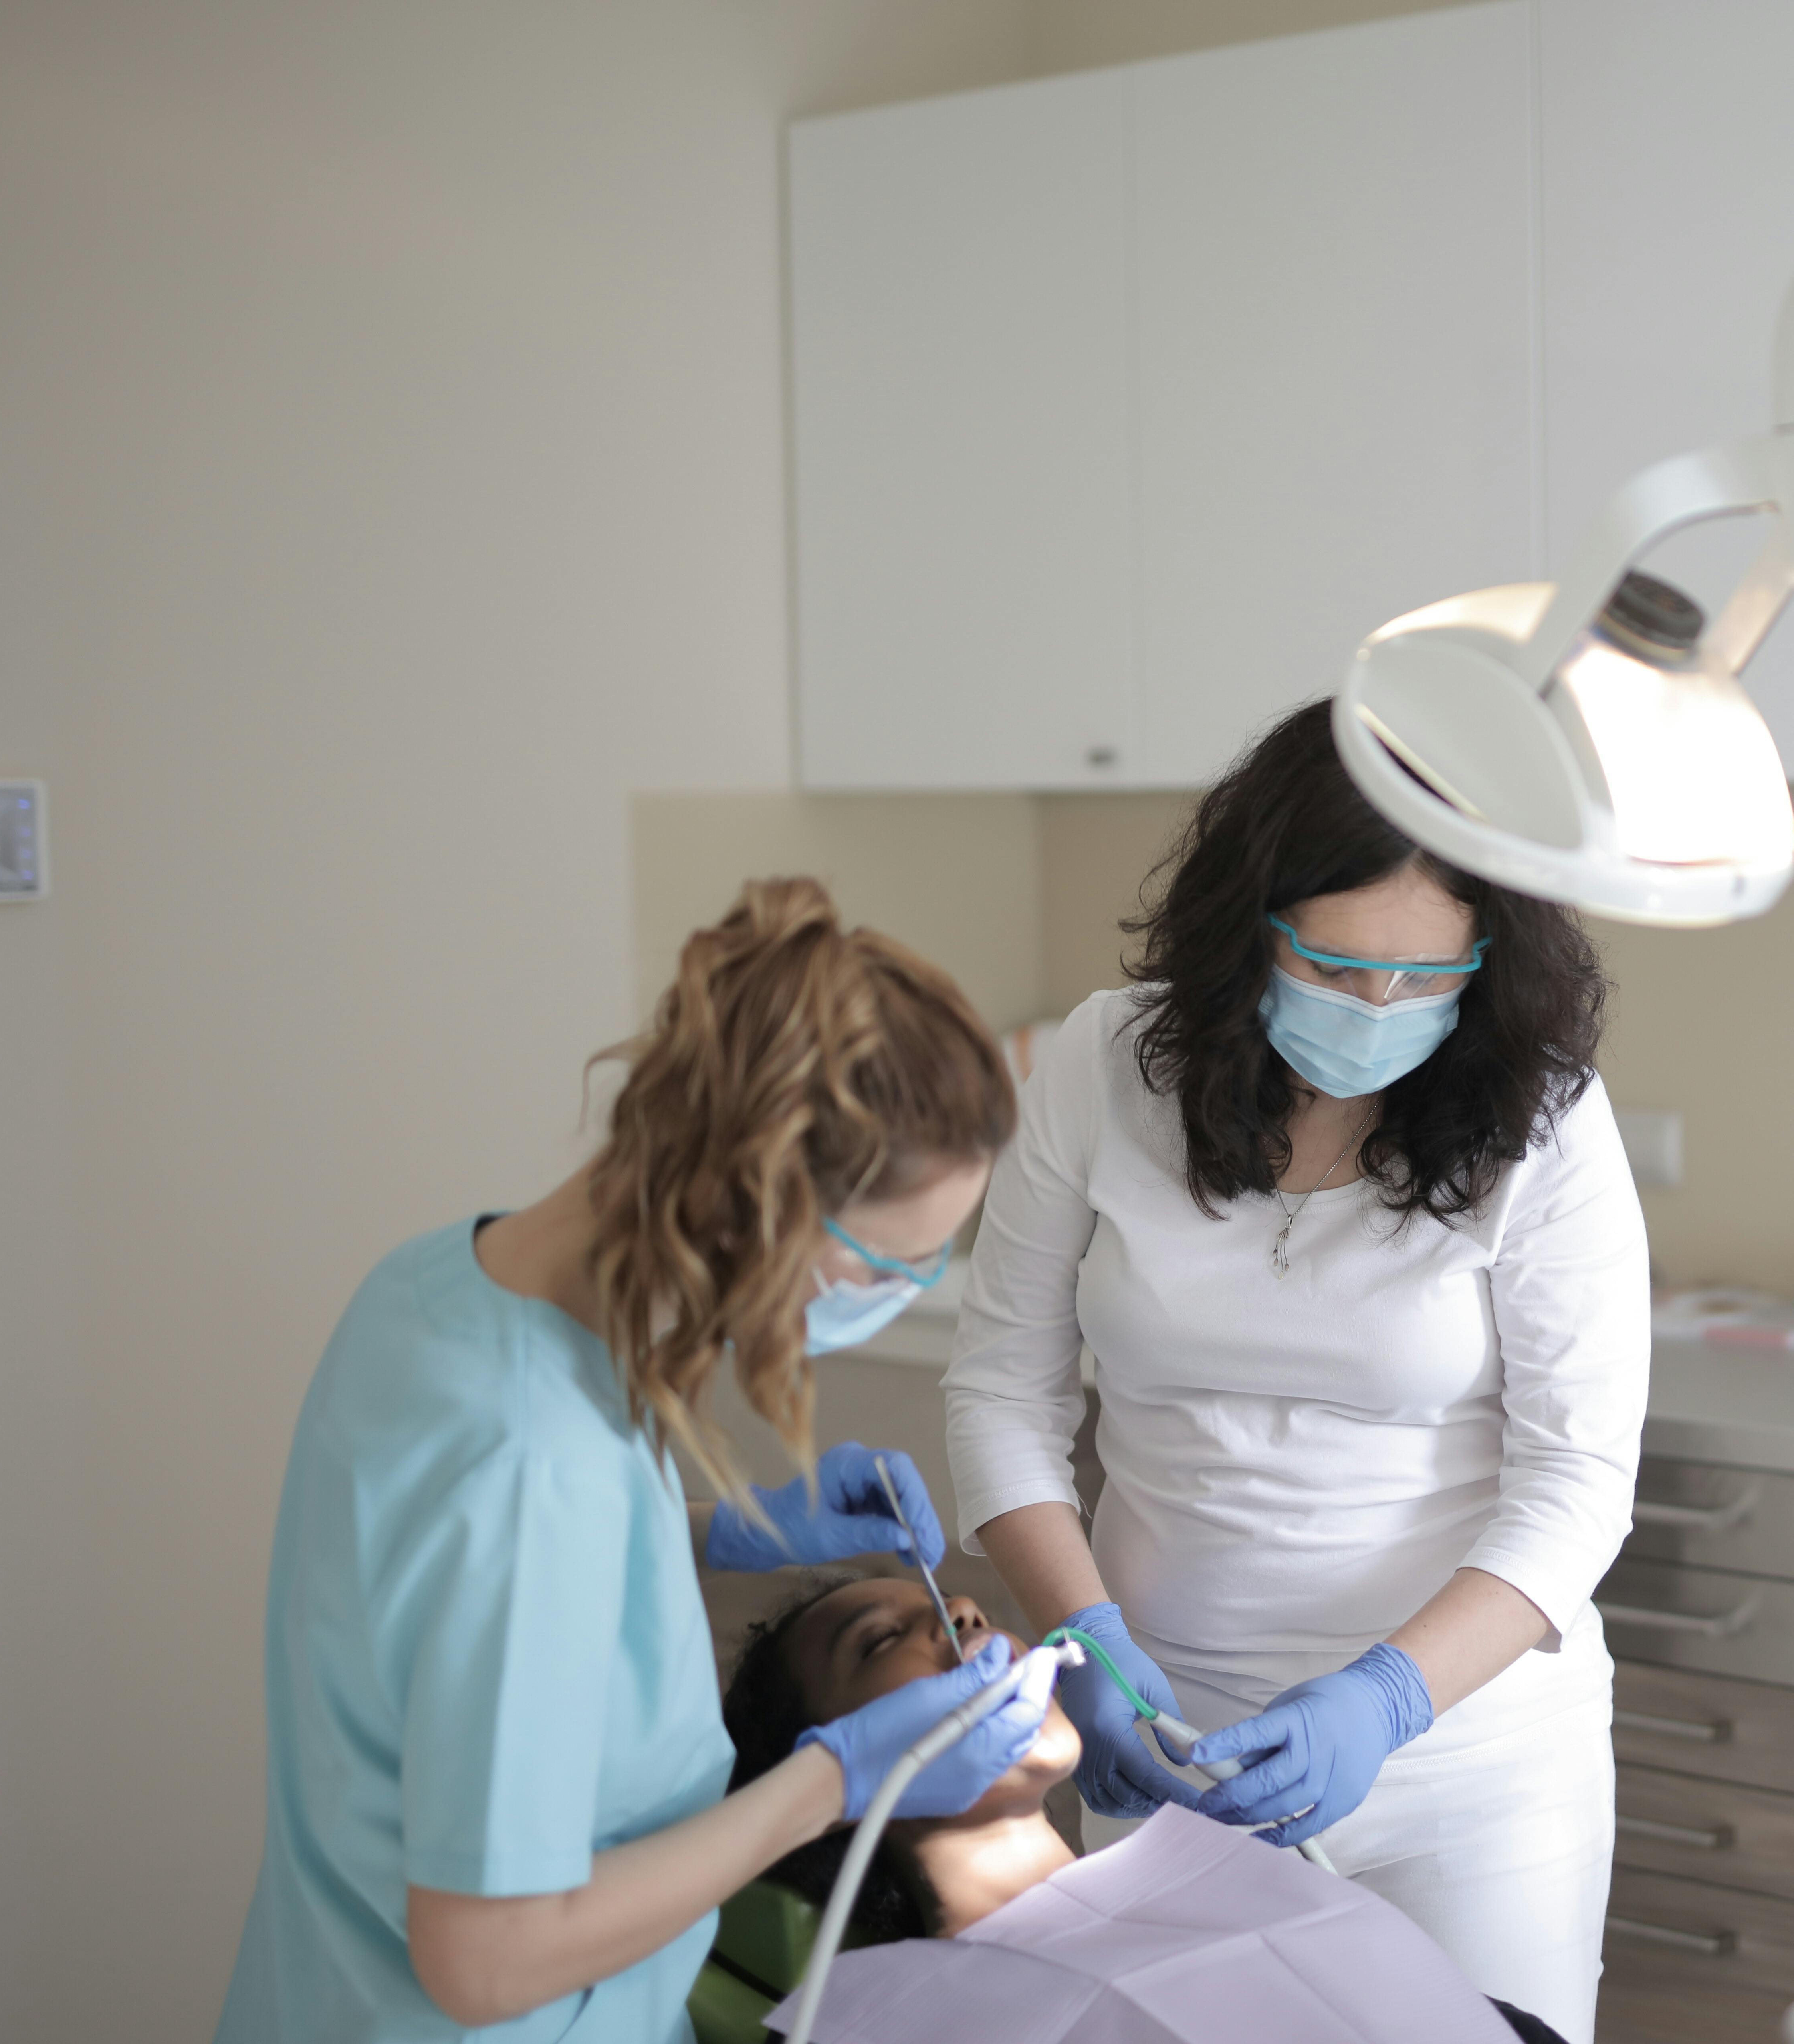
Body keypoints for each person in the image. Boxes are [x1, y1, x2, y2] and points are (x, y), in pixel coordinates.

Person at [218, 879, 1047, 2044]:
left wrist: (716, 1527)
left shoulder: (437, 1287)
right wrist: (831, 1783)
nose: (907, 1295)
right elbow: (484, 1960)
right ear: (767, 1209)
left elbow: (460, 1580)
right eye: (893, 1270)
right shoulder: (534, 1469)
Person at [944, 702, 1651, 2041]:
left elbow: (1579, 1487)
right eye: (1333, 971)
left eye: (1423, 981)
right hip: (1165, 1747)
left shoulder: (1542, 1116)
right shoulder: (1104, 1065)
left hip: (1473, 1760)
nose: (1379, 1010)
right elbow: (1000, 1391)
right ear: (1246, 932)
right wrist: (1084, 1641)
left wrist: (1387, 1702)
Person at [717, 1574, 1568, 2044]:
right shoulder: (898, 2023)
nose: (964, 1614)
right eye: (877, 1640)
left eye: (949, 1604)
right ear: (825, 1777)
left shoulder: (1236, 1894)